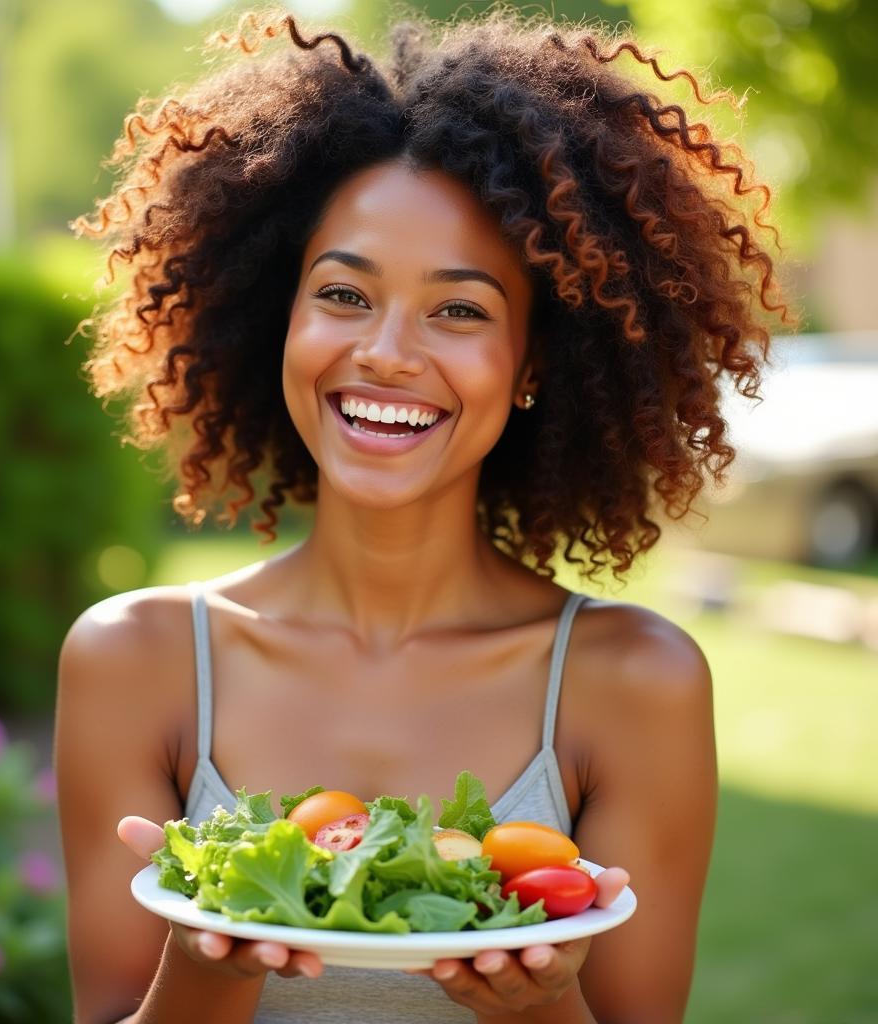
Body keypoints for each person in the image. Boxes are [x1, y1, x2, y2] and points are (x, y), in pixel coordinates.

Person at [55, 6, 793, 1023]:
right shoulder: (133, 660)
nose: (388, 353)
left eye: (459, 310)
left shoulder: (633, 686)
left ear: (534, 363)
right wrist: (209, 961)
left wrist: (534, 1002)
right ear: (282, 318)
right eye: (344, 295)